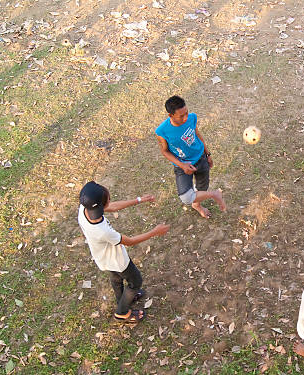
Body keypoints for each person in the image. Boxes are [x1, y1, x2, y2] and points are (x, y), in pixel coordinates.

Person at [78, 181, 169, 323]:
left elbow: (111, 207)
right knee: (135, 281)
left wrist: (139, 200)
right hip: (118, 261)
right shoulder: (102, 231)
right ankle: (122, 313)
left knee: (116, 278)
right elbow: (130, 241)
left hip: (102, 258)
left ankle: (122, 300)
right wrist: (155, 232)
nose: (110, 201)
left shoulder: (84, 209)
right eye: (108, 199)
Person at [155, 96, 226, 219]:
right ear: (170, 115)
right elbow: (165, 151)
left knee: (202, 187)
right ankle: (214, 195)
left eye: (186, 113)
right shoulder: (162, 131)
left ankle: (197, 205)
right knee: (186, 197)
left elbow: (197, 134)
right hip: (182, 165)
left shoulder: (192, 117)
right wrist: (182, 165)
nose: (186, 117)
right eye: (181, 116)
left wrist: (208, 154)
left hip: (201, 158)